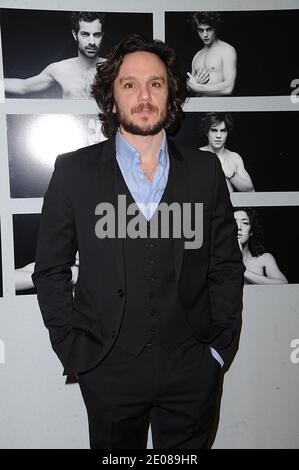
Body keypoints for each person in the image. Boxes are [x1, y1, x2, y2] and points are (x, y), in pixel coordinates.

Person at [32, 34, 244, 449]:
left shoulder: (205, 171)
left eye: (156, 84)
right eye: (129, 84)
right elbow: (51, 269)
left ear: (170, 96)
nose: (143, 96)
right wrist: (74, 351)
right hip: (108, 370)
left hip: (191, 369)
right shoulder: (74, 172)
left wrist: (218, 350)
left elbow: (225, 266)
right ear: (111, 99)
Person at [4, 12, 105, 99]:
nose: (92, 42)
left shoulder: (113, 68)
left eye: (96, 35)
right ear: (75, 35)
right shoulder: (60, 69)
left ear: (102, 35)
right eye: (85, 34)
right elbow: (23, 87)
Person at [200, 112, 255, 192]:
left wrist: (229, 173)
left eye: (222, 131)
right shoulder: (198, 155)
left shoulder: (234, 158)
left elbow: (251, 191)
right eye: (214, 130)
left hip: (227, 204)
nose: (218, 136)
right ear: (206, 132)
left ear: (227, 133)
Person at [186, 12, 237, 96]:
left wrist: (197, 87)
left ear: (215, 28)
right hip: (198, 108)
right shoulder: (197, 56)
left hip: (217, 108)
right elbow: (191, 91)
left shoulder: (227, 50)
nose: (205, 35)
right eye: (201, 30)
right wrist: (189, 85)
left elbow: (228, 88)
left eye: (209, 29)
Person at [234, 207, 288, 285]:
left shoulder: (263, 259)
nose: (239, 227)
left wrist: (242, 270)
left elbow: (284, 285)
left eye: (245, 223)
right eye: (234, 222)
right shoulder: (219, 260)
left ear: (251, 231)